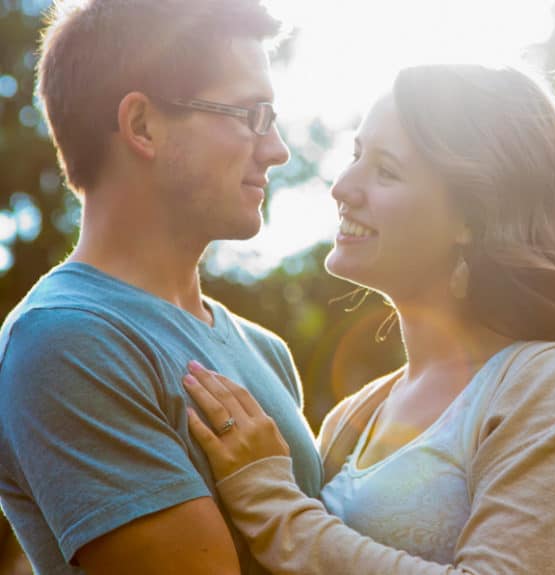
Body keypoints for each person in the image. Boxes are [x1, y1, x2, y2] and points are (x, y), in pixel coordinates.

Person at [182, 64, 555, 575]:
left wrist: (271, 502)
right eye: (356, 155)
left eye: (386, 170)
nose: (342, 187)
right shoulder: (352, 418)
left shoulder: (549, 387)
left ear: (472, 217)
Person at [0, 1, 323, 574]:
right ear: (143, 126)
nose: (275, 150)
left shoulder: (264, 349)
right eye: (252, 114)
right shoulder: (65, 343)